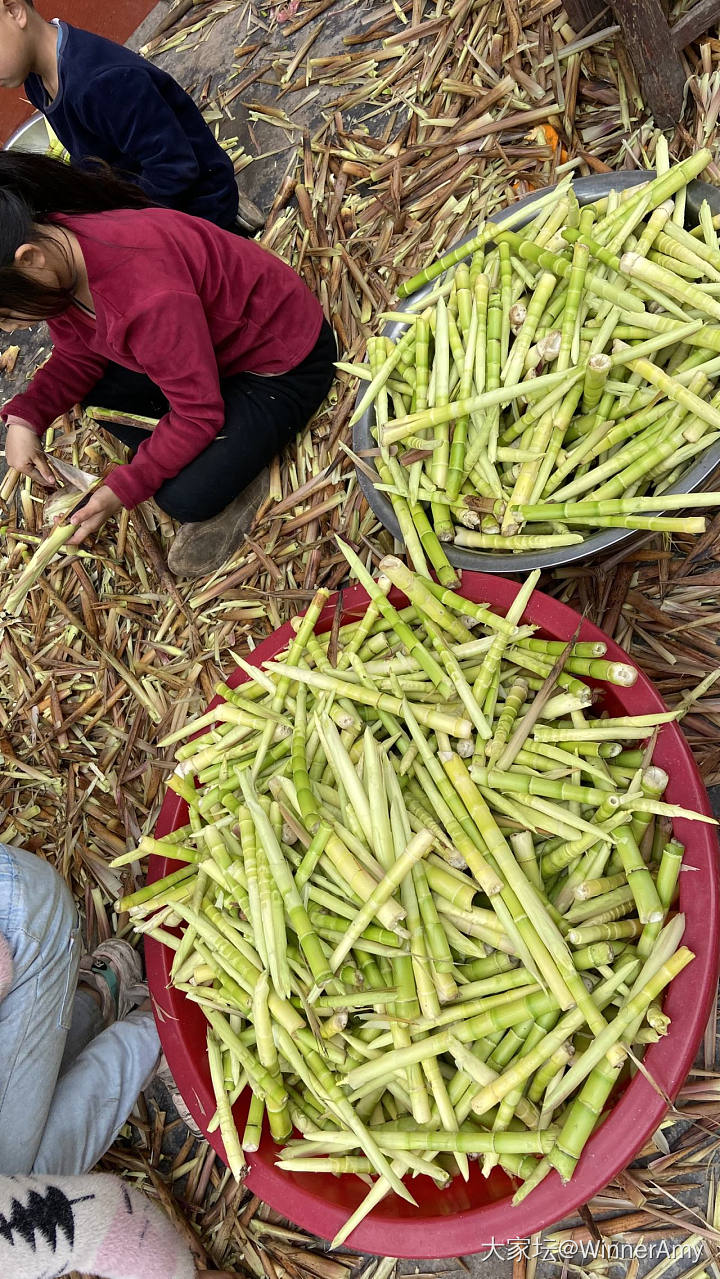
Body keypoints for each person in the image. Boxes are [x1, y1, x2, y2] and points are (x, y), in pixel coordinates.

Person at [0, 152, 336, 576]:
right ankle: (222, 450)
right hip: (211, 351)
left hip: (281, 363)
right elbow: (78, 352)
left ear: (29, 259)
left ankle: (241, 473)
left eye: (6, 316)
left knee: (181, 498)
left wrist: (123, 488)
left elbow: (198, 414)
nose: (11, 331)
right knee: (98, 396)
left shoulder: (144, 298)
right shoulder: (60, 252)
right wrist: (26, 418)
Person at [0, 844, 231, 1277]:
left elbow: (100, 1218)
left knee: (31, 1174)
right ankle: (97, 995)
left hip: (15, 922)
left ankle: (168, 1030)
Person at [0, 0, 263, 233]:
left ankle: (231, 218)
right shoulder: (36, 81)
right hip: (134, 189)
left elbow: (175, 167)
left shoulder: (100, 85)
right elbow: (89, 153)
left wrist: (124, 224)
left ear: (14, 11)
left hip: (198, 202)